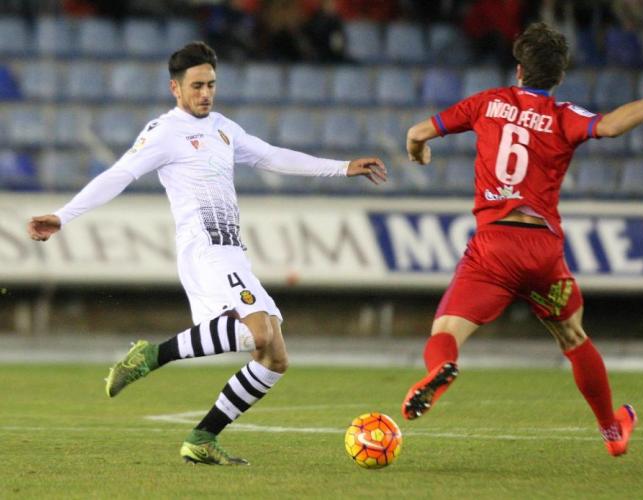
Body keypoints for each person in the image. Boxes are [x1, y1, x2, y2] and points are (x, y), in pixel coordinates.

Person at [27, 41, 387, 466]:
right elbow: (119, 174)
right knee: (258, 332)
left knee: (274, 357)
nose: (205, 94)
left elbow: (272, 157)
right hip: (204, 250)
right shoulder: (164, 132)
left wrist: (342, 167)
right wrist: (64, 215)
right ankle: (152, 355)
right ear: (175, 88)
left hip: (232, 250)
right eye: (197, 86)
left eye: (211, 85)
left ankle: (202, 438)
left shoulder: (223, 128)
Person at [400, 22, 643, 457]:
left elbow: (416, 133)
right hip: (542, 251)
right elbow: (612, 126)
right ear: (559, 76)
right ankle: (612, 432)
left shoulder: (487, 103)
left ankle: (443, 368)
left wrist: (419, 155)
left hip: (494, 247)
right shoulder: (563, 116)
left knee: (446, 330)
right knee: (573, 337)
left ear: (519, 70)